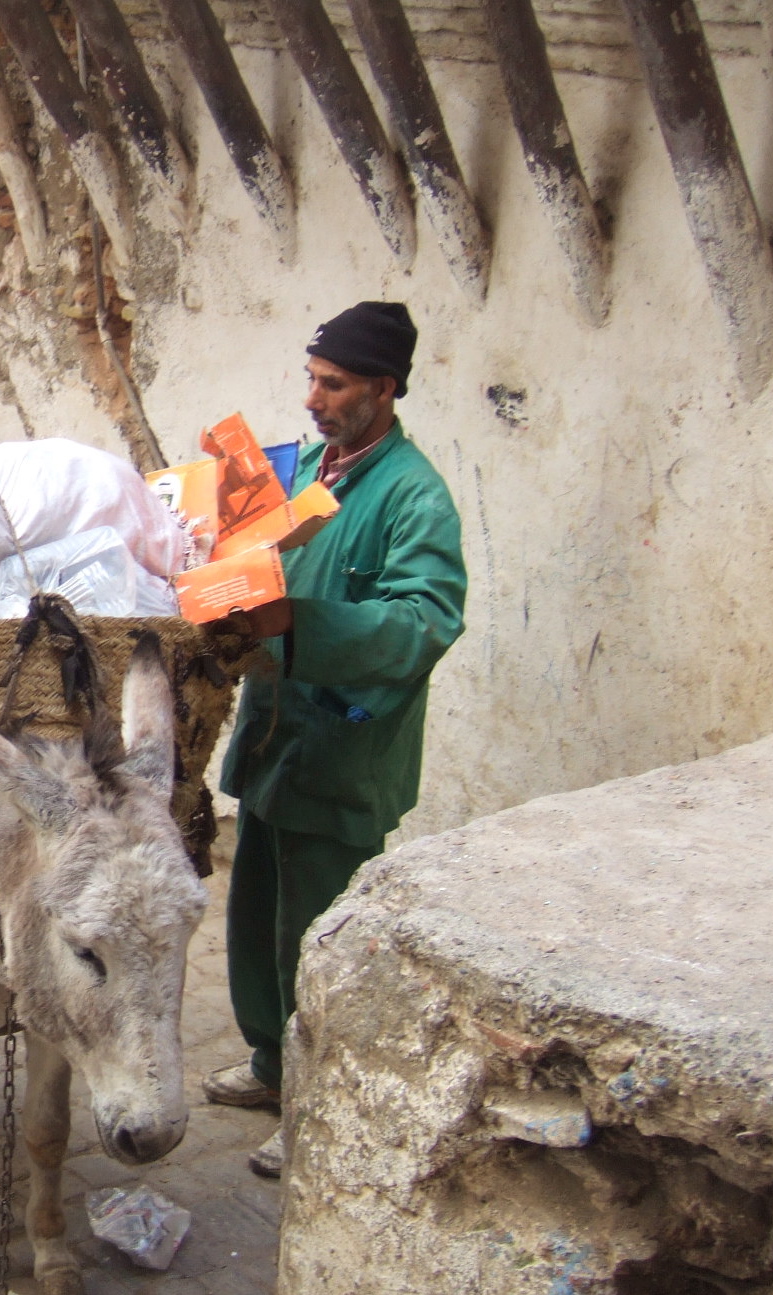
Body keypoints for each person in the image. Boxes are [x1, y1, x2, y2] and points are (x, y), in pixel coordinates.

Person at [206, 301, 468, 1177]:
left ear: (383, 389)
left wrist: (298, 621)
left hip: (342, 745)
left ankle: (317, 1101)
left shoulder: (413, 494)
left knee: (313, 939)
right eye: (310, 379)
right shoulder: (313, 467)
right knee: (252, 913)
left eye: (334, 384)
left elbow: (424, 620)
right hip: (278, 735)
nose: (313, 399)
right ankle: (271, 1065)